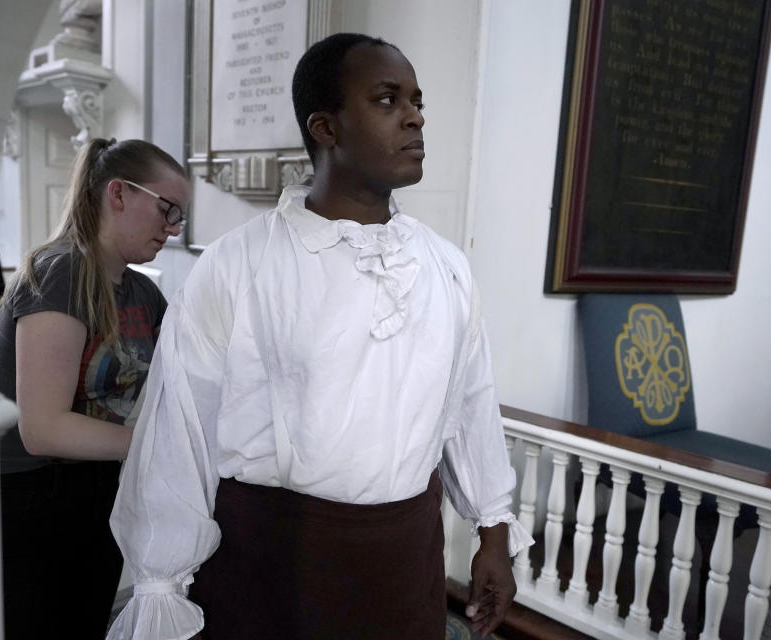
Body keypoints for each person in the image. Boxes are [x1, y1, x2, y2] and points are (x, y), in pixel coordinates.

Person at [106, 33, 532, 640]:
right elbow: (181, 435)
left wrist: (494, 531)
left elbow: (469, 403)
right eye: (387, 100)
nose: (414, 116)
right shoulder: (237, 266)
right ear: (325, 128)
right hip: (272, 570)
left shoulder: (446, 267)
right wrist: (160, 583)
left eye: (417, 101)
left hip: (403, 565)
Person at [0, 137, 190, 639]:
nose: (172, 228)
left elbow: (185, 374)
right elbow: (43, 428)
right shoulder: (61, 273)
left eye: (179, 217)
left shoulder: (143, 291)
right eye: (167, 209)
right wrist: (160, 445)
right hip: (34, 495)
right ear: (119, 194)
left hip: (99, 485)